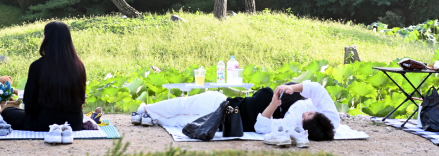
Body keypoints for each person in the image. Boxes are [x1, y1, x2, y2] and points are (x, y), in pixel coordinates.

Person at [134, 81, 337, 141]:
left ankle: (151, 118)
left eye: (304, 120)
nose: (304, 114)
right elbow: (317, 89)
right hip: (224, 104)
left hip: (228, 121)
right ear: (318, 114)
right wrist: (294, 88)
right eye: (308, 114)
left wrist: (274, 105)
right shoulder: (330, 116)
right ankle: (145, 110)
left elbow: (262, 127)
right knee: (185, 105)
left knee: (182, 121)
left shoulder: (293, 126)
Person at [2, 21, 86, 131]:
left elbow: (29, 102)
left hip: (44, 123)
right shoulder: (79, 65)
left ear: (47, 39)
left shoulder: (37, 66)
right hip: (74, 123)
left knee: (8, 112)